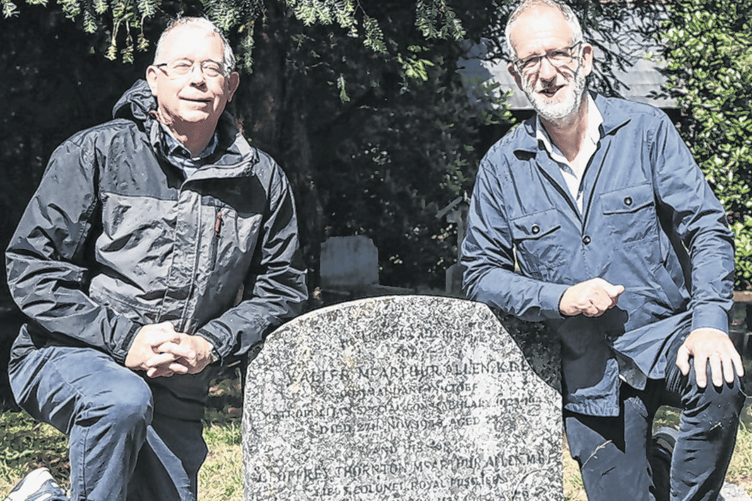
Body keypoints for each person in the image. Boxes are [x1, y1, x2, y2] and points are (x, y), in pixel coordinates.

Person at [4, 17, 308, 501]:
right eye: (183, 65)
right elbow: (32, 270)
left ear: (230, 87)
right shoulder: (95, 153)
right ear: (153, 78)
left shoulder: (262, 181)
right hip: (69, 353)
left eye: (212, 68)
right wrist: (126, 340)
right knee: (121, 401)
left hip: (178, 385)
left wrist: (212, 343)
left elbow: (281, 289)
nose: (197, 79)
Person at [461, 1, 746, 500]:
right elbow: (479, 272)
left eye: (558, 54)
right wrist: (559, 297)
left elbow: (707, 227)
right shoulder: (502, 166)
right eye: (531, 61)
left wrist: (710, 323)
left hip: (666, 338)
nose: (547, 73)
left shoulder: (646, 130)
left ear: (585, 57)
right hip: (591, 374)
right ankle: (658, 463)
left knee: (718, 385)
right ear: (515, 73)